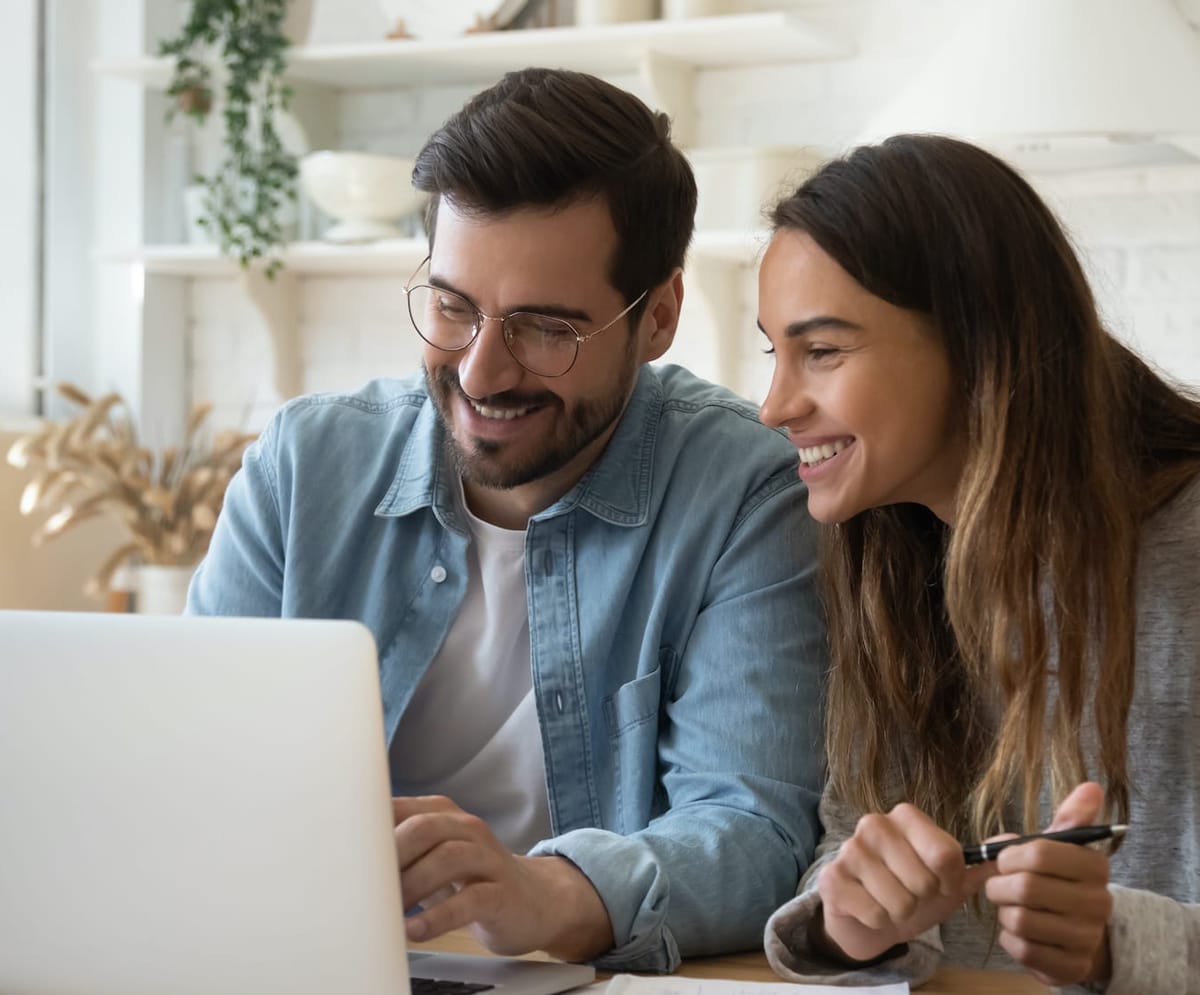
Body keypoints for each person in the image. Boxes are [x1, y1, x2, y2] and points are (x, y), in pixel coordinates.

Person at [188, 68, 826, 972]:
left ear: (660, 317)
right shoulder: (302, 467)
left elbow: (753, 831)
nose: (482, 372)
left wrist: (543, 893)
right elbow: (190, 770)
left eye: (544, 328)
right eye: (452, 307)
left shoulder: (743, 495)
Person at [755, 133, 1200, 995]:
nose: (775, 404)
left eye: (824, 351)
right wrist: (849, 922)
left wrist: (1122, 944)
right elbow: (850, 843)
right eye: (776, 349)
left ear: (977, 342)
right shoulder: (886, 552)